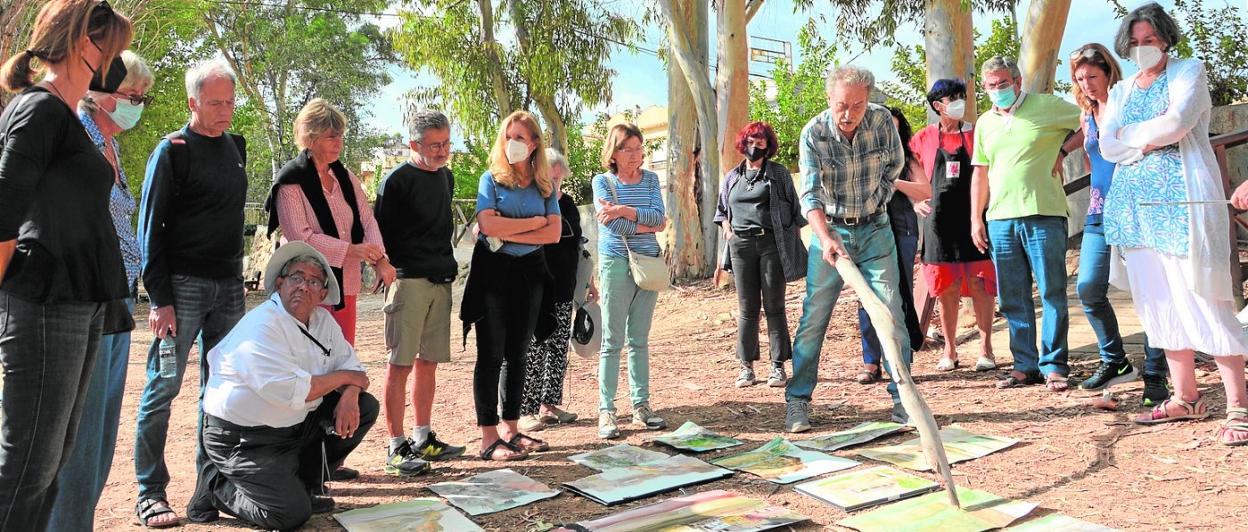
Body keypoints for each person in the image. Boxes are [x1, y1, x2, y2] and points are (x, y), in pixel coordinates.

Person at [0, 2, 132, 529]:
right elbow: (3, 213)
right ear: (86, 45)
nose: (116, 63)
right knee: (28, 467)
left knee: (51, 464)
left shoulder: (67, 115)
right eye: (113, 48)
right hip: (43, 305)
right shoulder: (39, 110)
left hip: (80, 303)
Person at [1098, 3, 1248, 445]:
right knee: (1157, 301)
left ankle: (1239, 404)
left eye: (1151, 40)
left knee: (1205, 297)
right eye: (1137, 42)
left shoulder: (1189, 72)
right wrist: (1143, 140)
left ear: (1165, 39)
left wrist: (1134, 139)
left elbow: (1179, 123)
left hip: (1183, 205)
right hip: (1135, 209)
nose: (1143, 49)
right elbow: (1107, 144)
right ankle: (1187, 397)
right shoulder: (1122, 90)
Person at [186, 241, 377, 529]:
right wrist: (346, 379)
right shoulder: (262, 325)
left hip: (292, 425)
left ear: (323, 293)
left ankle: (307, 484)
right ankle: (216, 485)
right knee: (290, 516)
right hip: (244, 439)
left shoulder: (323, 320)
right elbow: (292, 390)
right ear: (280, 283)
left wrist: (350, 393)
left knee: (364, 405)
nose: (303, 286)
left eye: (313, 281)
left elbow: (356, 372)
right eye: (296, 277)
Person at [134, 57, 249, 527]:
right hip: (180, 288)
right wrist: (159, 298)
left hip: (230, 287)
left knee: (220, 393)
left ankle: (208, 492)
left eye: (230, 101)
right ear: (192, 102)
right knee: (163, 387)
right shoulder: (172, 150)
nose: (225, 111)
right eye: (215, 102)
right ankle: (150, 491)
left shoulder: (236, 147)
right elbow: (149, 231)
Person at [49, 49, 152, 532]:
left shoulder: (111, 145)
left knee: (103, 428)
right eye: (133, 97)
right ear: (102, 92)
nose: (138, 107)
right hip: (84, 301)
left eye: (142, 99)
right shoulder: (75, 134)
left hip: (119, 299)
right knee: (80, 433)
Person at [786, 65, 913, 433]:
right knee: (814, 317)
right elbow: (809, 193)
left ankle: (902, 397)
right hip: (831, 232)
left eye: (857, 105)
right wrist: (825, 237)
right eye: (842, 105)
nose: (849, 114)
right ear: (830, 99)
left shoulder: (883, 122)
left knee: (891, 312)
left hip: (876, 230)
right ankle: (798, 400)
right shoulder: (814, 133)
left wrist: (878, 201)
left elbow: (895, 167)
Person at [969, 56, 1083, 393]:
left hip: (1043, 211)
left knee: (1051, 290)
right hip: (1000, 219)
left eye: (1003, 83)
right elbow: (980, 171)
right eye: (991, 86)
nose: (997, 90)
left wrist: (1063, 150)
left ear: (1018, 82)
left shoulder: (1047, 106)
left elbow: (1091, 120)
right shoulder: (985, 123)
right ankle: (1024, 365)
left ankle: (1054, 365)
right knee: (1012, 296)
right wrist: (976, 217)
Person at [1068, 43, 1169, 403]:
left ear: (1109, 72)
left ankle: (1157, 372)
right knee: (1089, 288)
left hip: (1138, 208)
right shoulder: (1086, 114)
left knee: (1150, 290)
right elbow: (1091, 161)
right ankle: (1116, 361)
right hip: (1100, 209)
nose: (1087, 84)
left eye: (1092, 76)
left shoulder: (1129, 106)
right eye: (1080, 79)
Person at [461, 110, 561, 460]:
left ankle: (511, 429)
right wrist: (533, 222)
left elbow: (554, 232)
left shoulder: (544, 184)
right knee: (490, 353)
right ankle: (488, 437)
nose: (513, 143)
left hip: (531, 271)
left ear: (534, 144)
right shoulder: (491, 180)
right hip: (494, 270)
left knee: (519, 354)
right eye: (509, 136)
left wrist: (513, 226)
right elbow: (487, 225)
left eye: (521, 137)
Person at [374, 110, 466, 473]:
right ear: (414, 145)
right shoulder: (395, 180)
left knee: (428, 363)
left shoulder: (447, 177)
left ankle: (422, 438)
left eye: (446, 143)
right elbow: (377, 234)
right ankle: (396, 446)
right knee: (399, 364)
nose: (442, 151)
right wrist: (386, 268)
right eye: (434, 145)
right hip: (407, 282)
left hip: (440, 280)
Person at [270, 98, 395, 347]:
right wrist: (351, 250)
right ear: (310, 138)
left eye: (340, 136)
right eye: (330, 137)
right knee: (308, 357)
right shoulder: (291, 181)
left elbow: (366, 219)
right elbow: (300, 238)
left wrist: (380, 259)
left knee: (341, 353)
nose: (339, 143)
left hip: (344, 284)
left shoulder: (344, 176)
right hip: (305, 286)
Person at [911, 79, 998, 373]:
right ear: (938, 106)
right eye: (953, 98)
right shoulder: (922, 138)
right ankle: (950, 349)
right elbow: (903, 174)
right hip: (938, 224)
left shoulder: (979, 133)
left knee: (980, 283)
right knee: (946, 287)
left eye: (962, 96)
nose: (960, 101)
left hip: (974, 220)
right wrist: (914, 202)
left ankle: (986, 349)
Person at [713, 121, 806, 389]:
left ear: (768, 145)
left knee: (774, 306)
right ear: (744, 143)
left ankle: (777, 366)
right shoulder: (732, 176)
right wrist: (728, 231)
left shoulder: (778, 174)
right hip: (740, 247)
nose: (755, 146)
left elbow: (795, 212)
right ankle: (746, 366)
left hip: (771, 245)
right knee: (747, 308)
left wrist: (792, 247)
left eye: (760, 141)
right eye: (751, 141)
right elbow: (721, 212)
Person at [592, 123, 669, 439]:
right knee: (612, 340)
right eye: (629, 149)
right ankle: (606, 410)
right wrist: (642, 222)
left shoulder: (650, 179)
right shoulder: (602, 182)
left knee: (639, 339)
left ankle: (642, 406)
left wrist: (625, 210)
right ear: (614, 151)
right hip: (616, 262)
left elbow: (660, 220)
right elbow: (612, 227)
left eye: (640, 148)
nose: (636, 155)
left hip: (648, 264)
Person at [519, 149, 598, 431]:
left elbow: (579, 246)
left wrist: (588, 283)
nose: (554, 185)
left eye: (558, 178)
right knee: (535, 349)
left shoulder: (569, 205)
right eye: (548, 178)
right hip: (535, 288)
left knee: (559, 347)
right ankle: (526, 409)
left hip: (565, 287)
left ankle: (550, 405)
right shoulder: (528, 204)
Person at [856, 107, 929, 382]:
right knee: (866, 295)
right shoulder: (862, 156)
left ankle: (898, 360)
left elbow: (925, 190)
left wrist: (895, 182)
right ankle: (870, 362)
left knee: (898, 294)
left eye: (895, 127)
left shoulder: (907, 159)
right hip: (867, 230)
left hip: (901, 230)